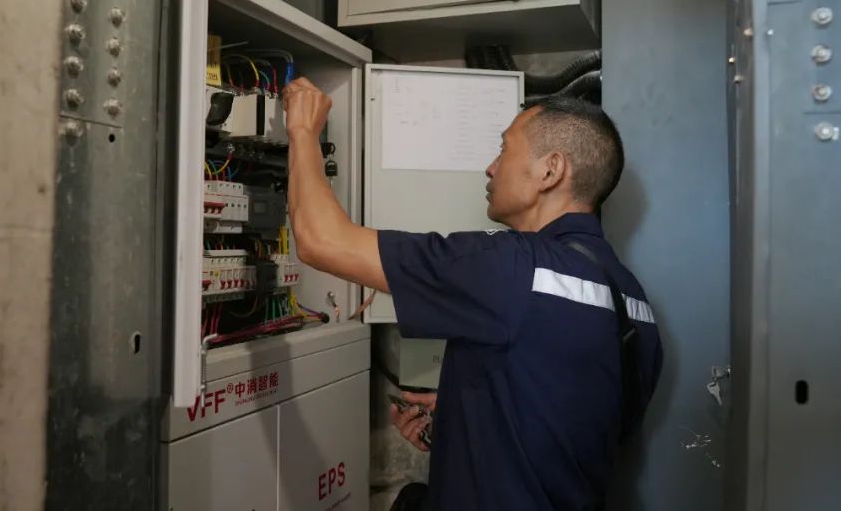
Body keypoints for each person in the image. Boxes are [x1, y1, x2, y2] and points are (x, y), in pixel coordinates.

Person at [282, 77, 664, 511]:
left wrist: (303, 130)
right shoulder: (633, 302)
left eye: (504, 149)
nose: (491, 167)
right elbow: (577, 429)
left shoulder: (513, 267)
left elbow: (320, 240)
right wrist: (467, 413)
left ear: (551, 170)